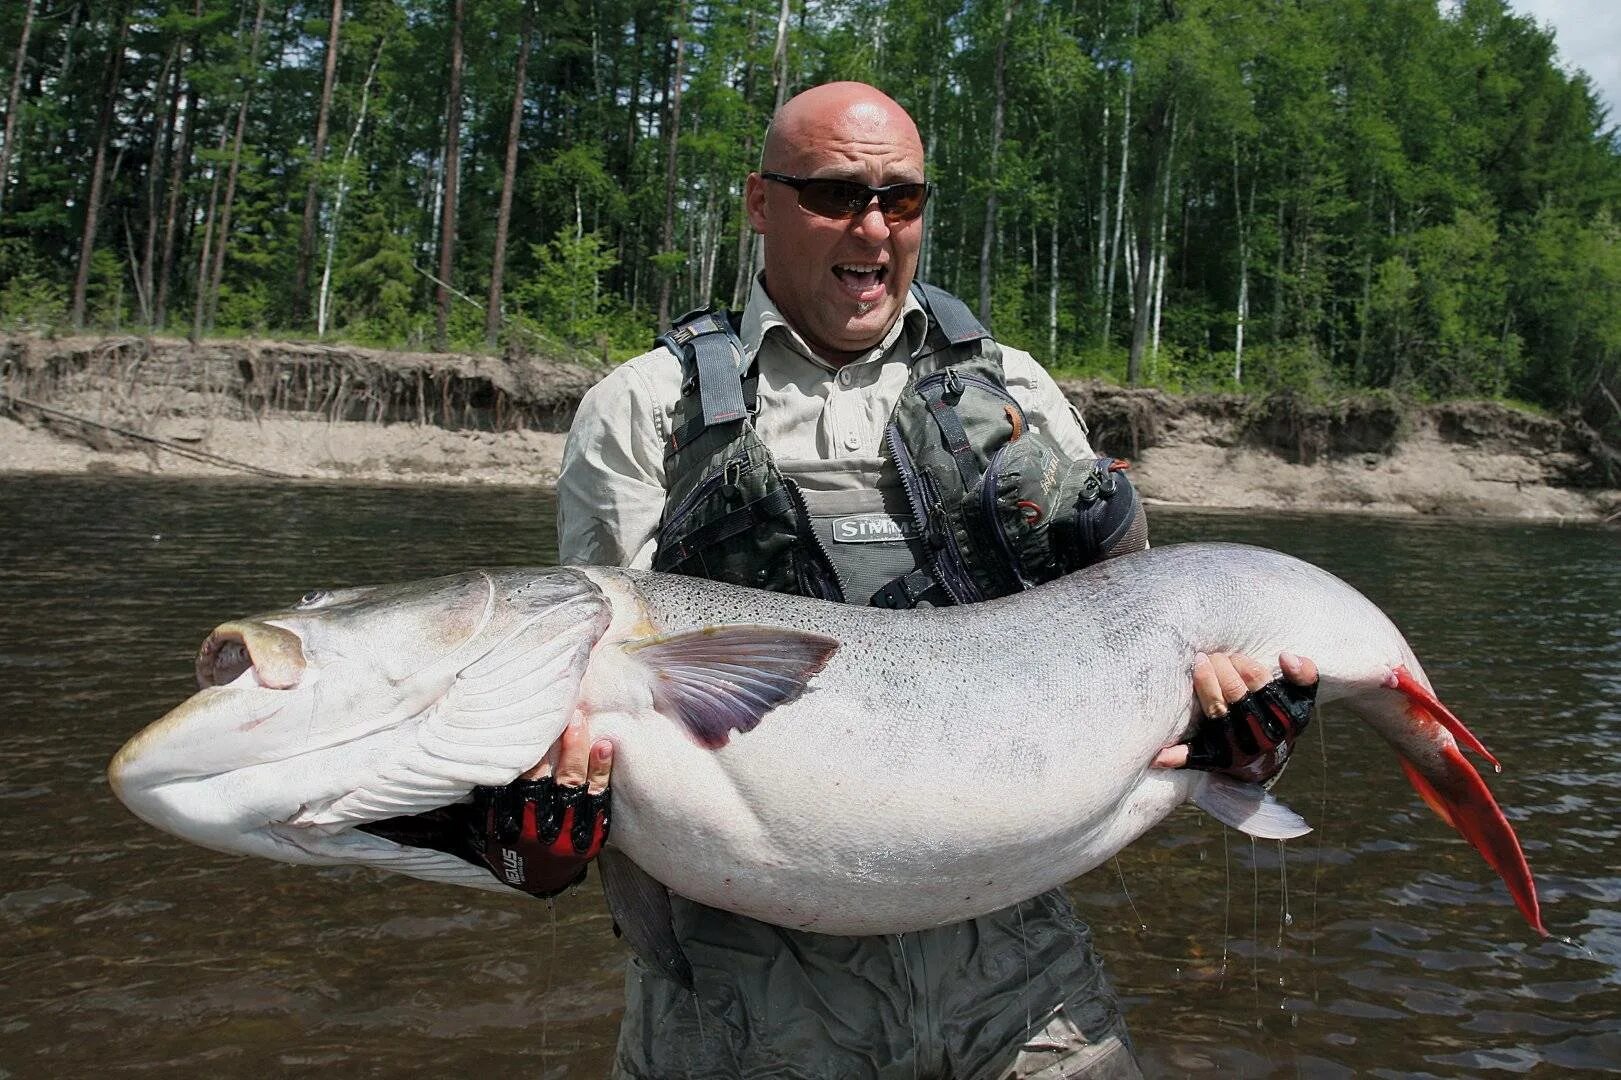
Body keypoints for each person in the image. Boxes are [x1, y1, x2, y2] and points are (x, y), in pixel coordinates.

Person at [479, 81, 1318, 1079]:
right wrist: (536, 842)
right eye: (835, 194)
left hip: (1017, 977)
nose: (872, 227)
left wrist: (1235, 746)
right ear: (759, 203)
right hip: (746, 1005)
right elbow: (580, 711)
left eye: (902, 199)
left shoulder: (1017, 393)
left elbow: (1138, 670)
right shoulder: (641, 410)